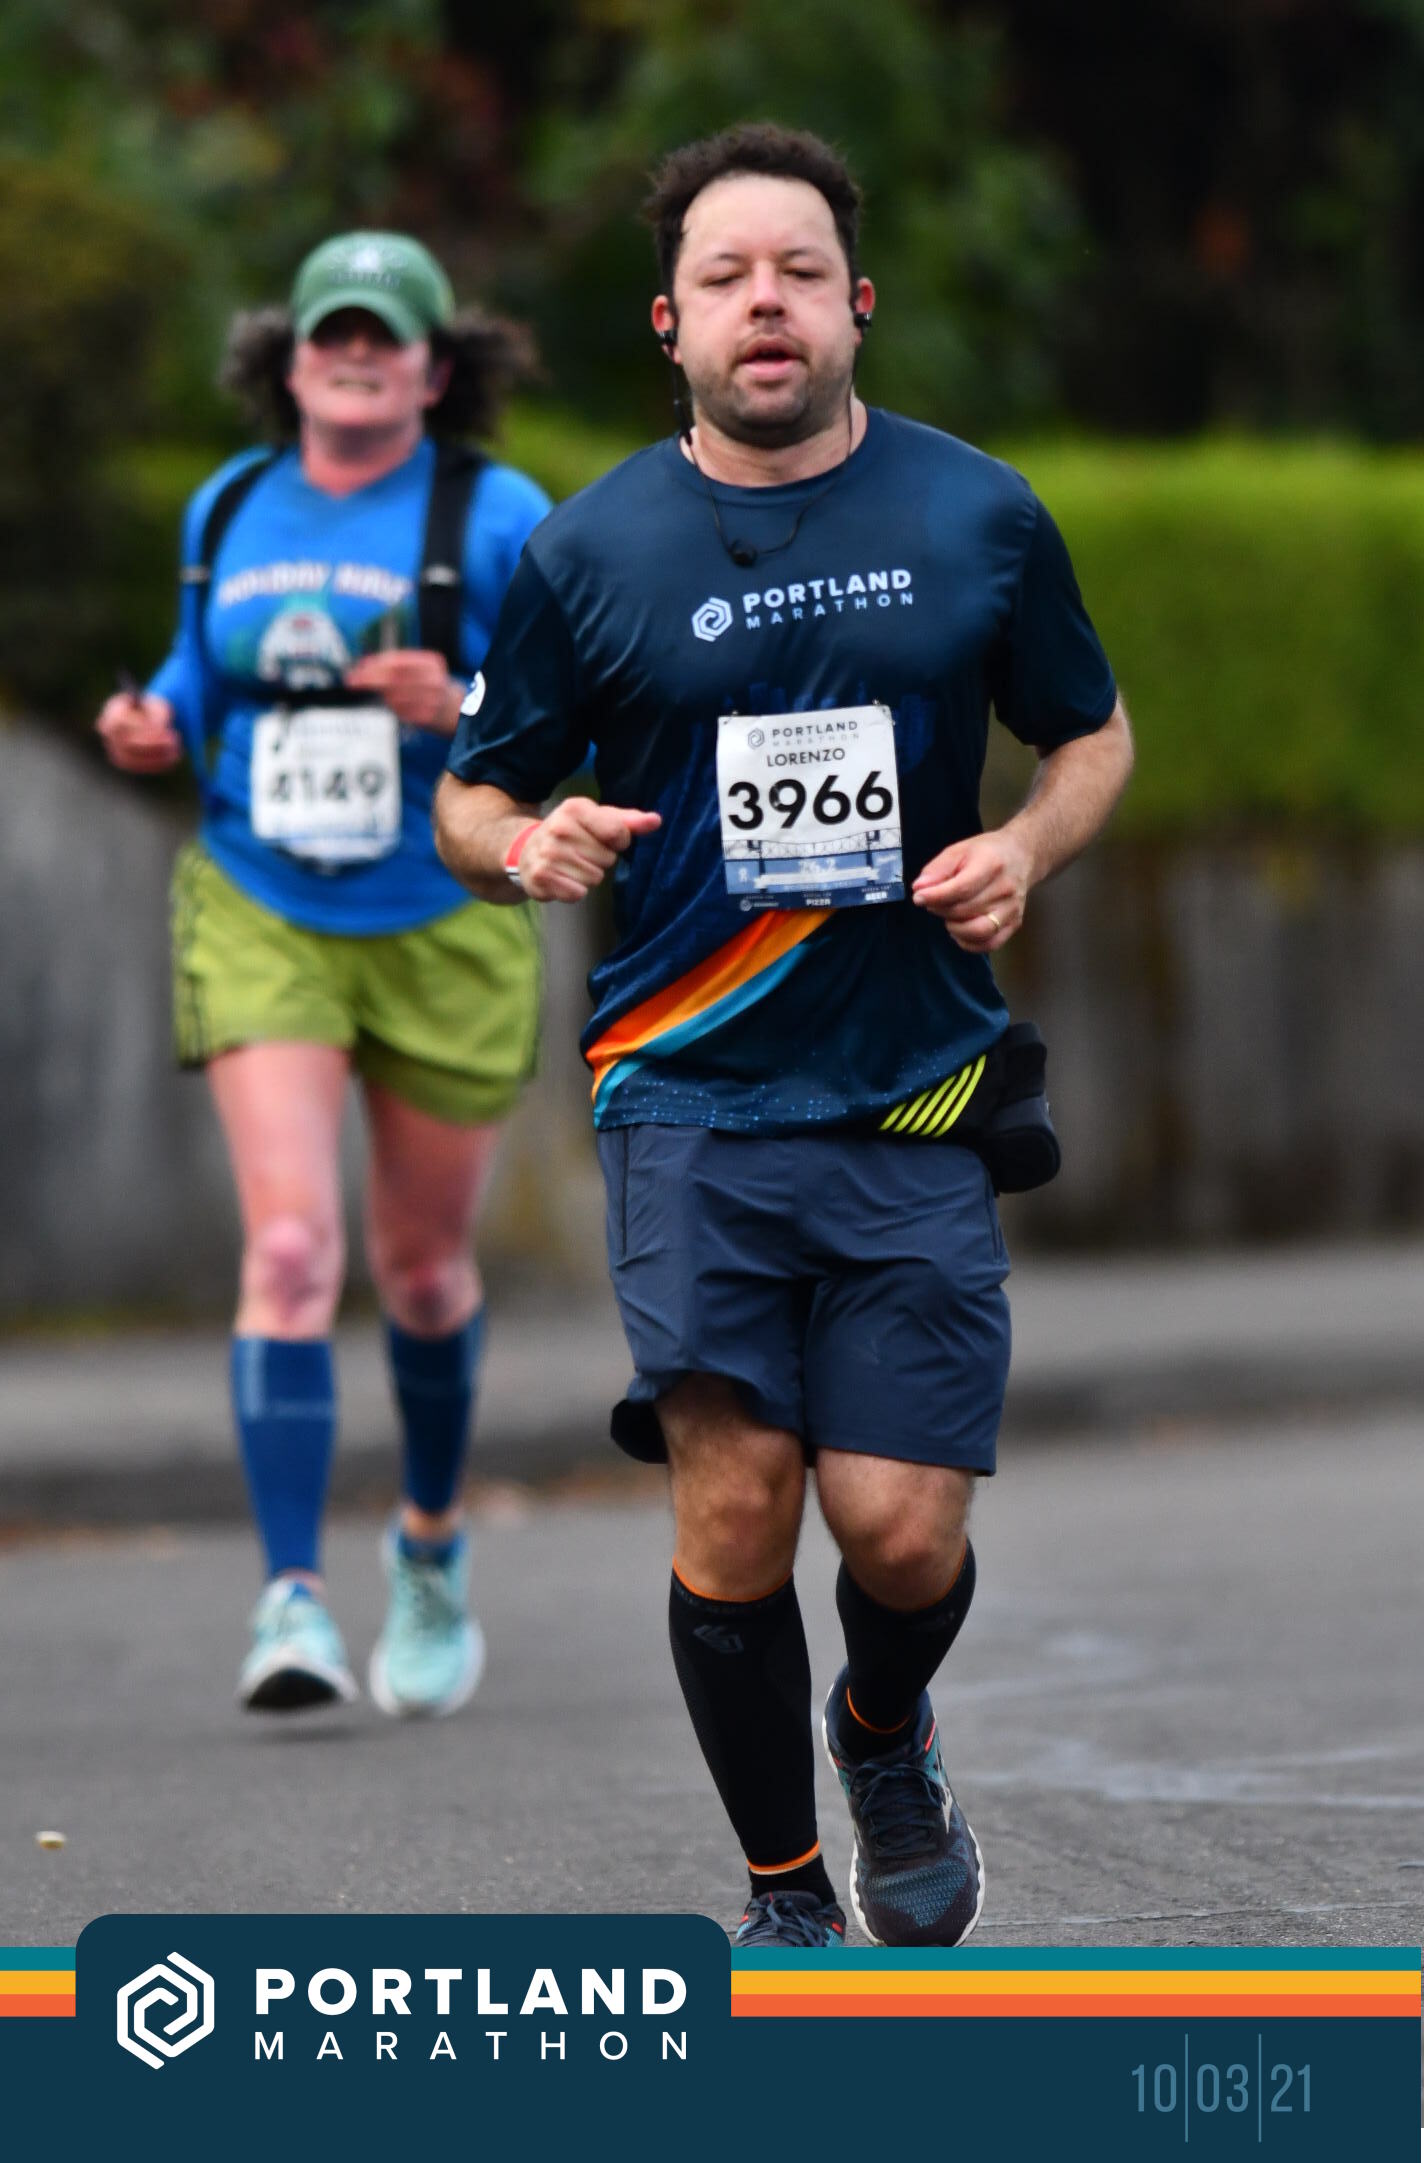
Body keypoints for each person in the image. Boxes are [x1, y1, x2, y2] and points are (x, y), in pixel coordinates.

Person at [433, 125, 1134, 1945]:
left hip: (913, 1086)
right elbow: (472, 792)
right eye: (727, 277)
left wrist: (1025, 845)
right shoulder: (589, 552)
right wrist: (523, 845)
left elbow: (1092, 732)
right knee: (735, 1508)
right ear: (671, 322)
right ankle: (785, 1893)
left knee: (900, 1531)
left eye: (800, 272)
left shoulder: (978, 515)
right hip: (687, 1093)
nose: (767, 303)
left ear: (856, 305)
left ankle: (882, 1729)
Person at [96, 232, 549, 1718]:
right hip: (263, 901)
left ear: (435, 368)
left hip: (444, 911)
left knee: (420, 1271)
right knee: (291, 1252)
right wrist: (158, 720)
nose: (355, 355)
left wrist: (464, 700)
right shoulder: (231, 502)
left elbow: (577, 708)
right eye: (330, 333)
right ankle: (289, 1599)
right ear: (287, 361)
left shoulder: (498, 514)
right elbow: (197, 667)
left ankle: (429, 1546)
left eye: (385, 335)